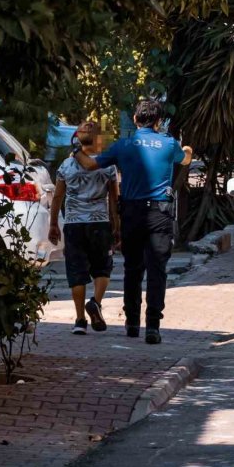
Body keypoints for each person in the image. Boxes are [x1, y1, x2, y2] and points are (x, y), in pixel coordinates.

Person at [72, 100, 192, 344]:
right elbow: (185, 160)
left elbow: (90, 164)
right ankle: (153, 327)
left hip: (131, 213)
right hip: (159, 213)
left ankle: (132, 323)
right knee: (157, 270)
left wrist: (75, 149)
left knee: (133, 268)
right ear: (158, 122)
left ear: (136, 120)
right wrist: (188, 149)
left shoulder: (123, 145)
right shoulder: (169, 143)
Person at [48, 121, 119, 334]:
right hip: (99, 223)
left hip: (73, 225)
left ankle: (80, 320)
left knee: (76, 271)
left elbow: (57, 197)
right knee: (102, 267)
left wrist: (53, 224)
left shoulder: (66, 165)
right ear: (98, 140)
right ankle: (95, 302)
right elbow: (114, 199)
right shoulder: (108, 166)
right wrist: (117, 225)